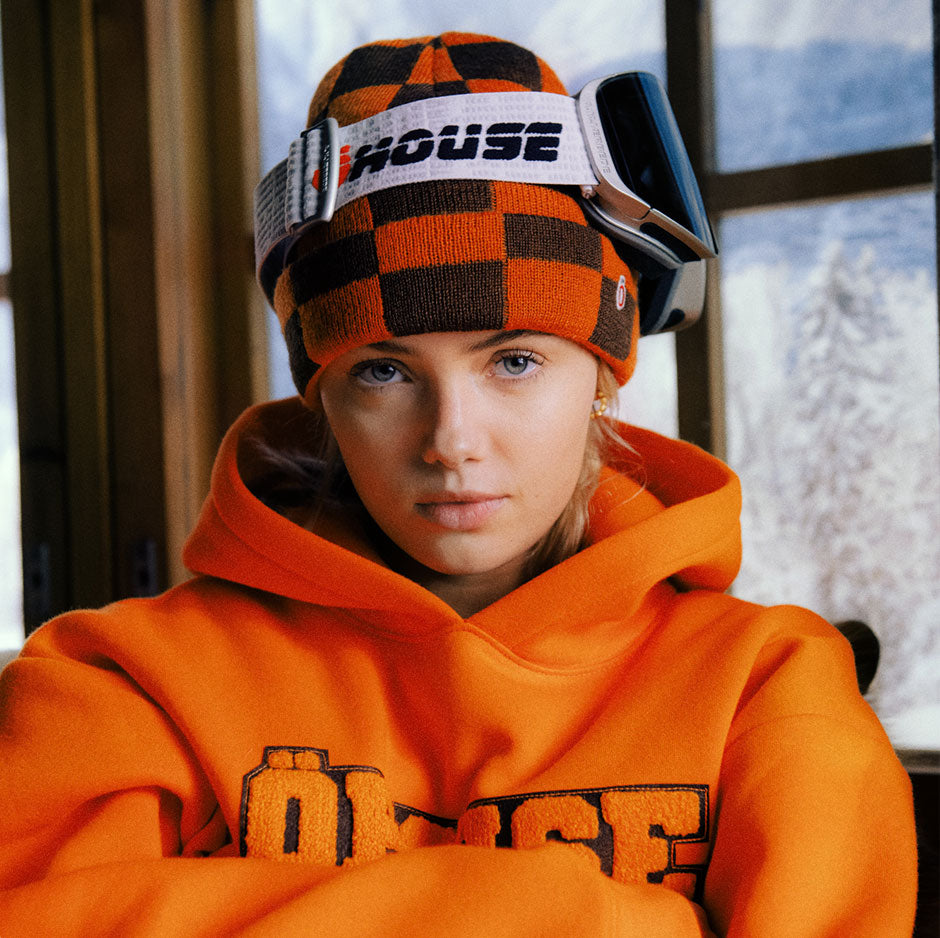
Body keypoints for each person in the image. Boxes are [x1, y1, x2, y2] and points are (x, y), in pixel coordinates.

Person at [0, 32, 917, 937]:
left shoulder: (764, 687)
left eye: (513, 361)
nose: (451, 441)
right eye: (383, 371)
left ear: (602, 375)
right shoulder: (123, 687)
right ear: (321, 395)